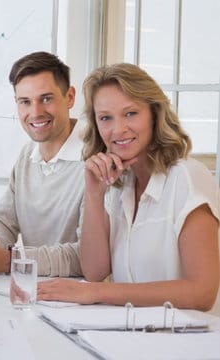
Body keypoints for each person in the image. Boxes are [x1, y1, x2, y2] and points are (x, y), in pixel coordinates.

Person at [37, 63, 220, 311]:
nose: (118, 129)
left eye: (131, 113)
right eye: (105, 118)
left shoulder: (187, 178)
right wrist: (93, 194)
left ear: (154, 113)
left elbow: (201, 292)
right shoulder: (118, 186)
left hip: (187, 343)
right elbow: (95, 270)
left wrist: (97, 292)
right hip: (133, 337)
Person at [0, 52, 84, 276]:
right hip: (34, 292)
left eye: (46, 99)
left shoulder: (97, 159)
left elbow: (89, 258)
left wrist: (12, 260)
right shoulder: (28, 153)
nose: (35, 112)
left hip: (83, 301)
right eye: (25, 102)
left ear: (70, 97)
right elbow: (4, 220)